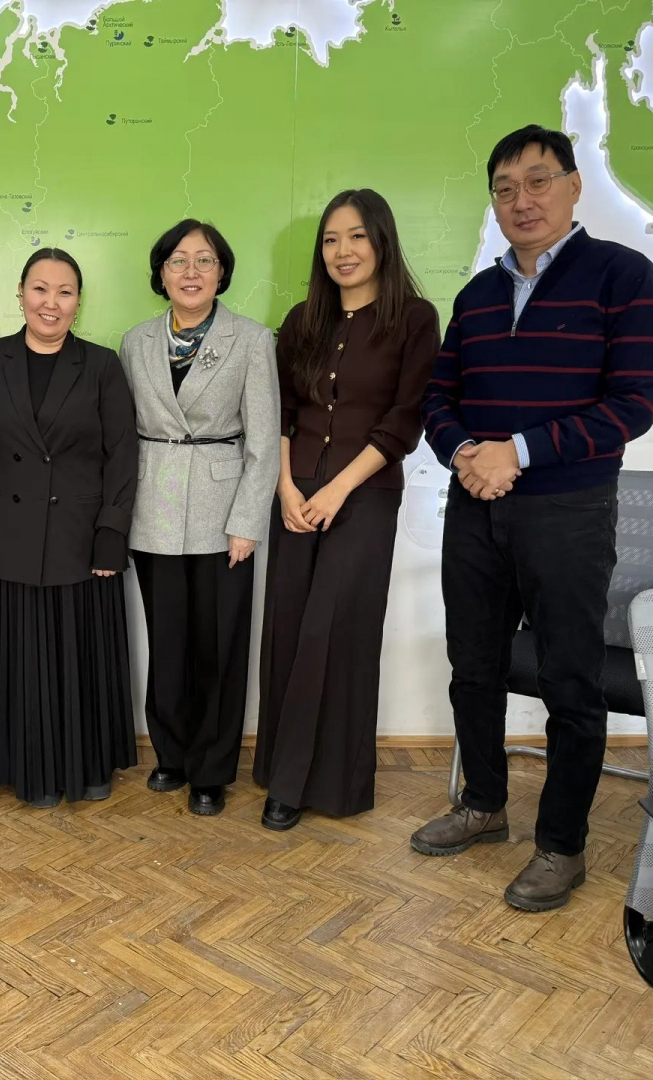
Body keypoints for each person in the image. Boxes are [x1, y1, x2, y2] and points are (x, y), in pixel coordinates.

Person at [416, 125, 653, 911]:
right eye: (504, 188)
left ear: (573, 185)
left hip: (569, 510)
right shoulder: (477, 296)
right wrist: (467, 453)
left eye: (537, 181)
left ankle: (562, 845)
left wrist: (518, 452)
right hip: (475, 506)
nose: (520, 200)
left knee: (569, 679)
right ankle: (483, 805)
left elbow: (634, 405)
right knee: (473, 665)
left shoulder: (624, 276)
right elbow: (438, 398)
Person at [255, 189, 440, 831]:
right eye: (331, 239)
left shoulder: (414, 319)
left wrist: (337, 489)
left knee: (336, 632)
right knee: (287, 628)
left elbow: (405, 418)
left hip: (364, 493)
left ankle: (320, 784)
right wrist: (285, 487)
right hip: (295, 490)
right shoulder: (302, 319)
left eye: (357, 236)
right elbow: (281, 412)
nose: (343, 251)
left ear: (381, 240)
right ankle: (281, 773)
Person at [118, 220, 279, 816]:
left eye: (204, 260)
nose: (191, 271)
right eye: (179, 261)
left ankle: (211, 769)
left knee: (219, 645)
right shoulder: (135, 342)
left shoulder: (251, 339)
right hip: (153, 504)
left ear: (221, 272)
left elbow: (265, 441)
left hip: (222, 510)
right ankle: (172, 754)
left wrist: (247, 522)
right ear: (161, 273)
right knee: (167, 642)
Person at [0, 248, 138, 807]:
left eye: (65, 292)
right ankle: (26, 771)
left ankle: (86, 767)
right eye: (40, 289)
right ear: (20, 294)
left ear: (78, 302)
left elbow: (122, 455)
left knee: (79, 659)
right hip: (9, 536)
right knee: (19, 660)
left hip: (80, 537)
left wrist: (111, 533)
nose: (51, 302)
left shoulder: (102, 364)